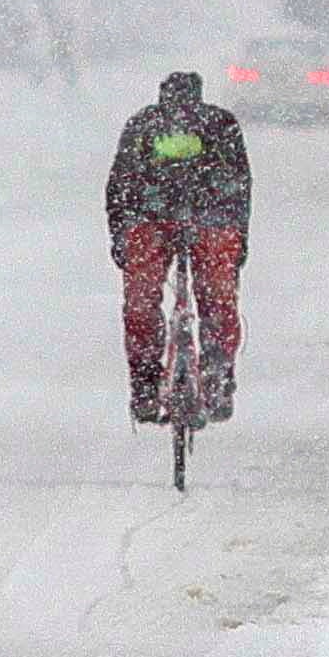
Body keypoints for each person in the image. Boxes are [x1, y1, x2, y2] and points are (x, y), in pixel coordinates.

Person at [106, 67, 253, 423]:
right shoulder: (220, 123)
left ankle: (144, 382)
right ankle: (217, 372)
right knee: (218, 295)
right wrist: (238, 237)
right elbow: (241, 183)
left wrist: (121, 237)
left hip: (150, 218)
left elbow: (118, 185)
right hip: (210, 219)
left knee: (141, 301)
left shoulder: (142, 125)